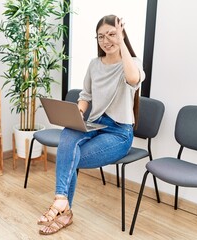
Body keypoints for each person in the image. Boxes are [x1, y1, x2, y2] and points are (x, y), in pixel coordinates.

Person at [37, 14, 145, 235]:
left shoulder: (132, 63)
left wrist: (121, 41)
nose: (106, 41)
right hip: (95, 124)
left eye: (112, 35)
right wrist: (76, 113)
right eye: (101, 37)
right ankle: (61, 200)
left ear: (122, 35)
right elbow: (85, 96)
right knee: (68, 132)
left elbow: (133, 80)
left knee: (69, 157)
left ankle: (64, 211)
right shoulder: (94, 64)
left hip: (119, 133)